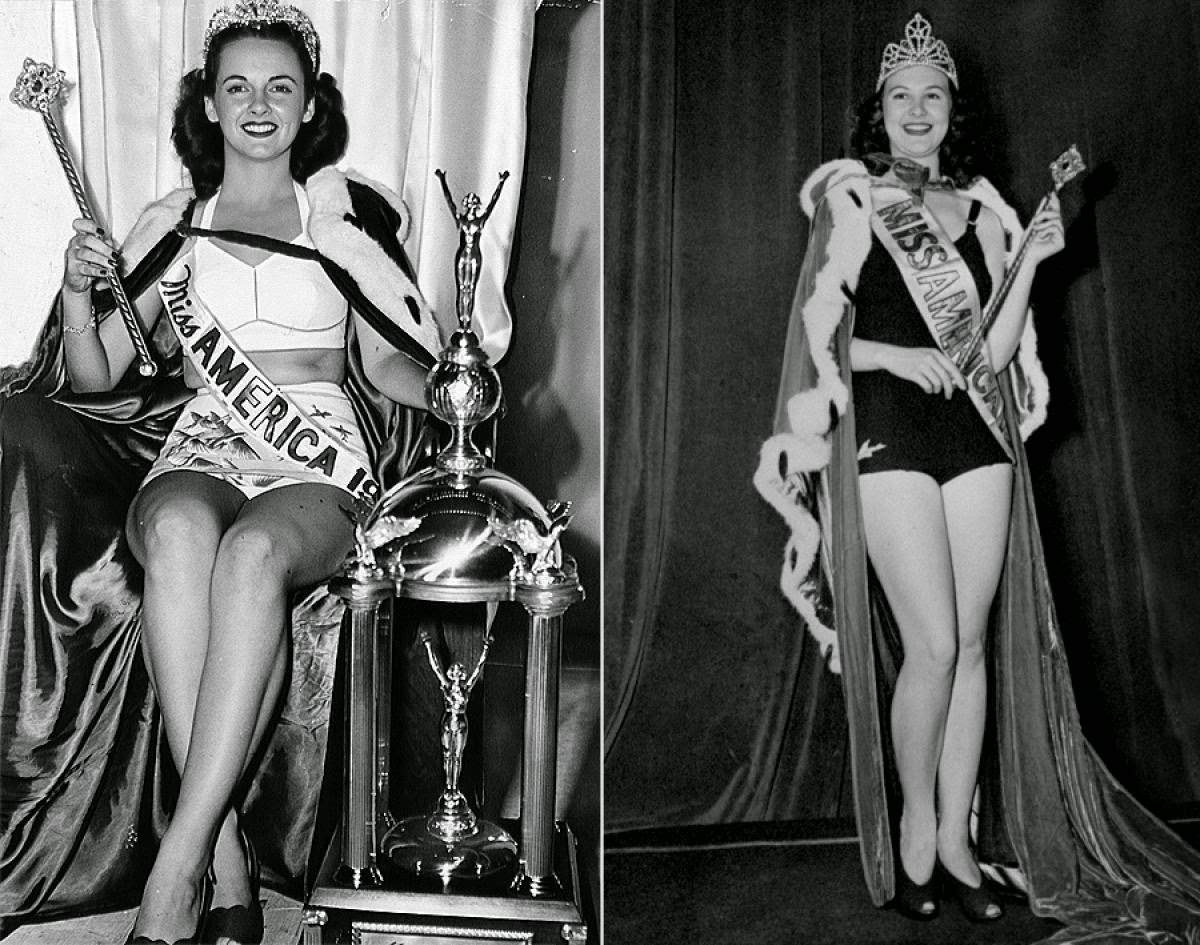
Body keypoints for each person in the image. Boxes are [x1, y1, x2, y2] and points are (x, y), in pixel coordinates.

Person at [756, 11, 1200, 938]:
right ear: (879, 110)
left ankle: (958, 842)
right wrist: (886, 356)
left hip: (977, 436)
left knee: (970, 644)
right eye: (900, 96)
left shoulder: (986, 211)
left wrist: (1033, 259)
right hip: (886, 436)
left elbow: (989, 351)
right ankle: (917, 828)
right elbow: (814, 337)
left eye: (933, 95)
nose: (917, 110)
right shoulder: (852, 199)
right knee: (929, 643)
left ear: (953, 109)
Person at [54, 3, 447, 942]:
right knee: (185, 532)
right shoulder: (174, 225)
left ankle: (179, 869)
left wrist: (447, 385)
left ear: (310, 105)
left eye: (280, 87)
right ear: (212, 104)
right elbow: (93, 372)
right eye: (238, 86)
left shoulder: (344, 221)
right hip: (206, 440)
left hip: (314, 445)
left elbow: (389, 360)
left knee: (255, 552)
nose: (259, 105)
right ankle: (223, 858)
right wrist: (77, 294)